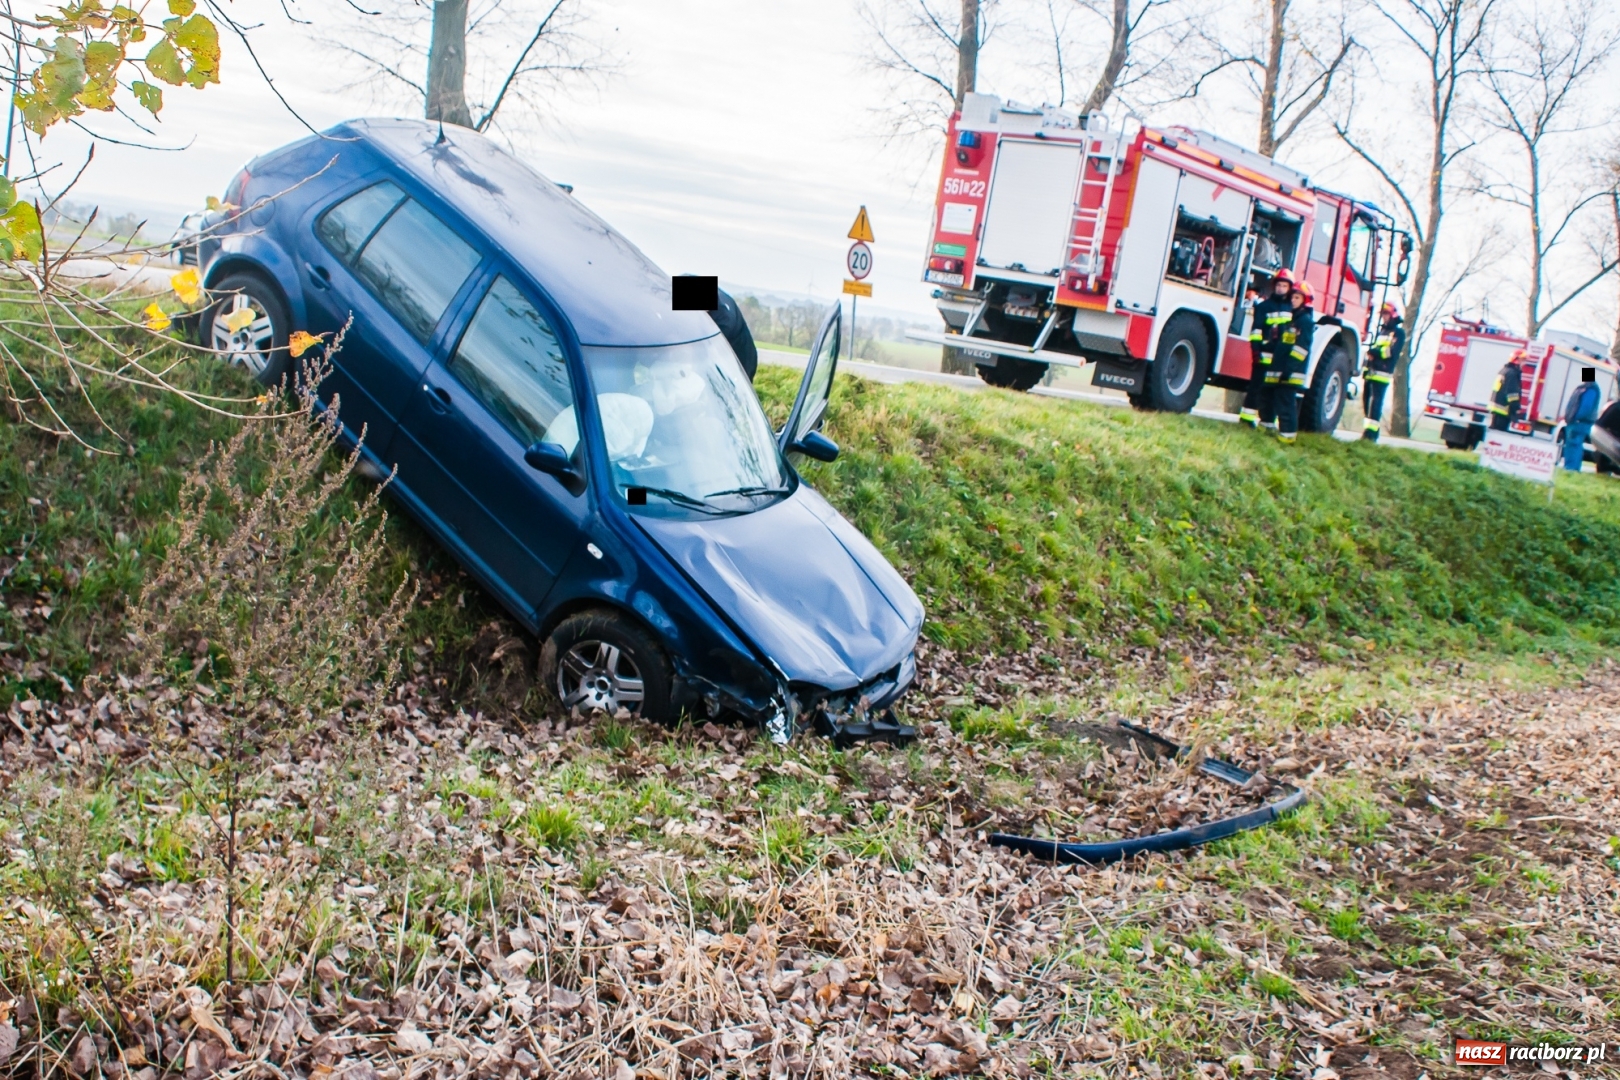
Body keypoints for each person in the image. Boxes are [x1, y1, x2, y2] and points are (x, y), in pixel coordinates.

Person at [1240, 270, 1296, 430]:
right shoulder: (1264, 307)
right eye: (1278, 285)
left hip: (1280, 358)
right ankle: (1246, 418)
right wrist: (1255, 351)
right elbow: (1256, 330)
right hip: (1263, 356)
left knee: (1271, 391)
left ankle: (1268, 421)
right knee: (1256, 388)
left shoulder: (1291, 309)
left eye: (1284, 286)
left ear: (1289, 288)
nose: (1280, 288)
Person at [1274, 280, 1315, 445]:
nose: (1293, 300)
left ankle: (1287, 437)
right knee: (1282, 401)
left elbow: (1301, 349)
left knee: (1287, 404)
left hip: (1293, 371)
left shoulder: (1305, 321)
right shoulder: (1294, 319)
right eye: (1292, 297)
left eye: (1297, 297)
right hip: (1287, 368)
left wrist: (1289, 368)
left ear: (1305, 300)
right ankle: (1284, 434)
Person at [1362, 302, 1405, 442]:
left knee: (1375, 403)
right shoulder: (1382, 331)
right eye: (1382, 315)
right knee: (1367, 403)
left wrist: (1374, 352)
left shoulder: (1398, 333)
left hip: (1382, 373)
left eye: (1386, 314)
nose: (1384, 317)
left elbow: (1390, 352)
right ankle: (1369, 431)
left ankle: (1370, 436)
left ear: (1392, 315)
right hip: (1372, 371)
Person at [1560, 367, 1601, 472]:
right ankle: (1570, 467)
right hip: (1574, 422)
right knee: (1572, 445)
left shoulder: (1591, 389)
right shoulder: (1585, 388)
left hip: (1579, 423)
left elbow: (1585, 407)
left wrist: (1576, 418)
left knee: (1574, 445)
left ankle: (1571, 469)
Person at [1489, 351, 1525, 431]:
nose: (1524, 363)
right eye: (1523, 360)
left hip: (1497, 410)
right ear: (1517, 360)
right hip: (1503, 411)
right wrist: (1516, 408)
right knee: (1498, 436)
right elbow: (1512, 394)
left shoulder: (1504, 370)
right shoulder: (1512, 374)